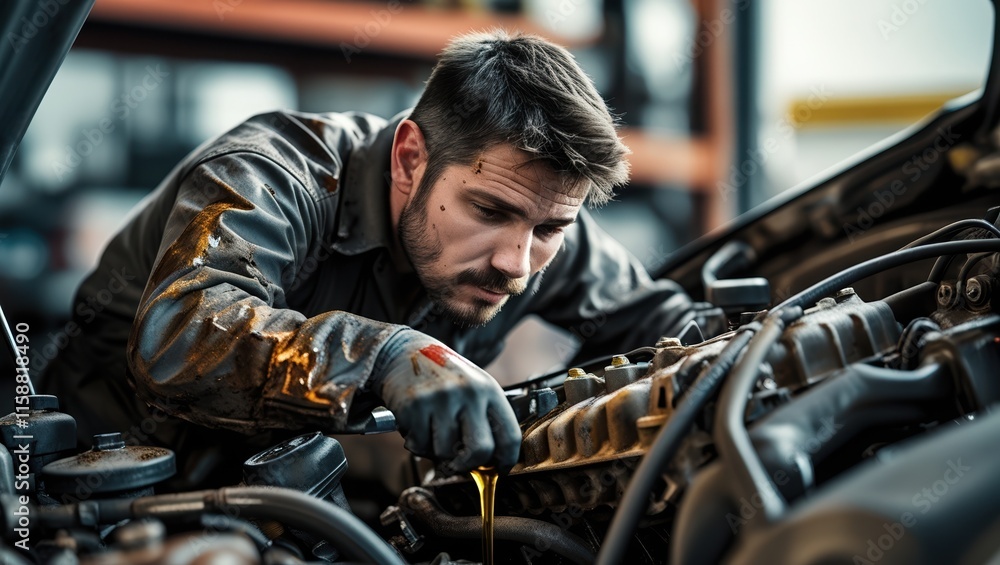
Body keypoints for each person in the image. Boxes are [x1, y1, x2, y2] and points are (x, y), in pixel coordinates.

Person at [39, 30, 719, 488]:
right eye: (488, 211)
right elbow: (181, 331)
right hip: (108, 499)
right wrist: (386, 354)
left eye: (550, 227)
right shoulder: (274, 175)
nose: (517, 261)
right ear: (409, 157)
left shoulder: (537, 229)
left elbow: (668, 325)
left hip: (315, 499)